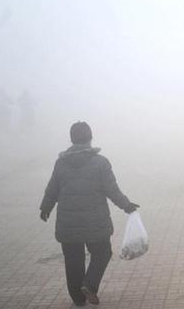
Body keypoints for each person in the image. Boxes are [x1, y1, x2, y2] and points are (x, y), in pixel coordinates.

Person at [39, 121, 139, 306]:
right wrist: (127, 205)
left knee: (73, 260)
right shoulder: (100, 162)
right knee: (102, 252)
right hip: (95, 221)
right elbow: (112, 190)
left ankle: (78, 298)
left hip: (67, 223)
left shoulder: (61, 163)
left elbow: (52, 189)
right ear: (90, 138)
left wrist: (45, 207)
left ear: (71, 139)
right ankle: (90, 285)